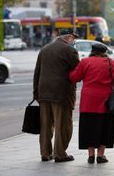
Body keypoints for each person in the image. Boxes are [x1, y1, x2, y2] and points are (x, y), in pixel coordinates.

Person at [69, 44, 114, 164]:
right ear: (105, 52)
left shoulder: (85, 62)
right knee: (104, 127)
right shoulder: (112, 63)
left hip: (88, 102)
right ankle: (101, 155)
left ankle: (91, 155)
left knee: (89, 128)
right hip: (106, 102)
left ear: (92, 51)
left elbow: (74, 77)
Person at [33, 32, 79, 163]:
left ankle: (45, 153)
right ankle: (60, 154)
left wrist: (36, 92)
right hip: (61, 93)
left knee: (45, 125)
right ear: (68, 37)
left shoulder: (44, 49)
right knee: (62, 124)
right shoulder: (70, 50)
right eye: (73, 39)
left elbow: (37, 71)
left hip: (43, 92)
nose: (73, 42)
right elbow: (78, 70)